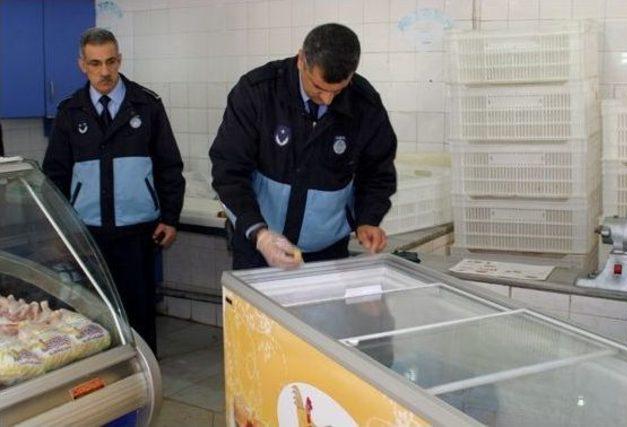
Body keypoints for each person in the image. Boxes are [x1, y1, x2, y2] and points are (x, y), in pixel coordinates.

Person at [43, 28, 185, 353]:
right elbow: (55, 175)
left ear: (119, 60)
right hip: (87, 232)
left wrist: (171, 217)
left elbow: (168, 165)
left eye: (110, 62)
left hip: (138, 231)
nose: (104, 72)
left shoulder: (147, 105)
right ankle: (105, 375)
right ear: (82, 65)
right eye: (95, 64)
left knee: (139, 307)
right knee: (95, 310)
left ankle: (145, 374)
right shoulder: (70, 111)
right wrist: (58, 229)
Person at [210, 23, 397, 270]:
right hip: (259, 246)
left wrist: (367, 219)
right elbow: (229, 171)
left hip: (327, 254)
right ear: (301, 60)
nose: (328, 99)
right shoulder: (258, 92)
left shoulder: (365, 104)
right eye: (319, 88)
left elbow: (377, 172)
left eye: (338, 90)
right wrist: (260, 233)